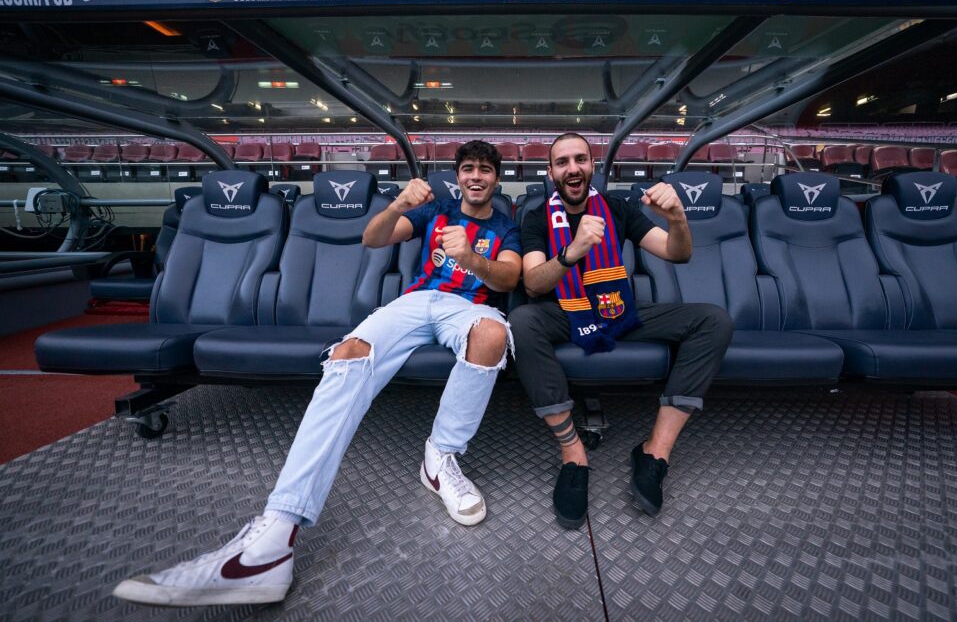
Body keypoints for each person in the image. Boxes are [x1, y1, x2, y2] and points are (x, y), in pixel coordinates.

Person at [113, 140, 523, 606]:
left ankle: (440, 458)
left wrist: (470, 257)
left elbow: (508, 279)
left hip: (464, 307)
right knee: (349, 352)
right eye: (467, 168)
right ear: (457, 175)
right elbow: (372, 238)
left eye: (485, 170)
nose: (476, 177)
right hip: (413, 302)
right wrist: (400, 204)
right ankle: (273, 538)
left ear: (496, 179)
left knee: (491, 336)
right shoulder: (437, 210)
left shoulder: (506, 227)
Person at [509, 133, 732, 529]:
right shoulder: (537, 217)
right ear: (551, 172)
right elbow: (533, 284)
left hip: (618, 310)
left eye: (580, 159)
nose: (572, 169)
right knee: (523, 321)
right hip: (564, 312)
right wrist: (571, 251)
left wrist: (678, 219)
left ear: (593, 166)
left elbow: (677, 253)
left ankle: (654, 453)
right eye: (562, 162)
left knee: (713, 320)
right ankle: (574, 454)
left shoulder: (618, 207)